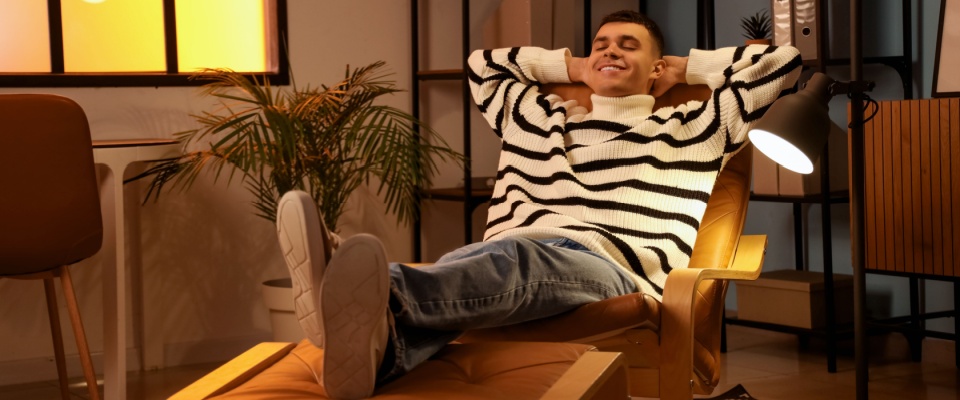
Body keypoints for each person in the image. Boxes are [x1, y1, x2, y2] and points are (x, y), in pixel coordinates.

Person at [276, 9, 802, 399]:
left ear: (656, 65)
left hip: (609, 264)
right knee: (475, 263)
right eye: (600, 44)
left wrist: (685, 68)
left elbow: (783, 63)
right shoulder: (537, 116)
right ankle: (382, 351)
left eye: (628, 45)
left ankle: (370, 292)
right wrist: (571, 64)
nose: (609, 51)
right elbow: (482, 65)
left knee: (515, 261)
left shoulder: (696, 127)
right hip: (505, 254)